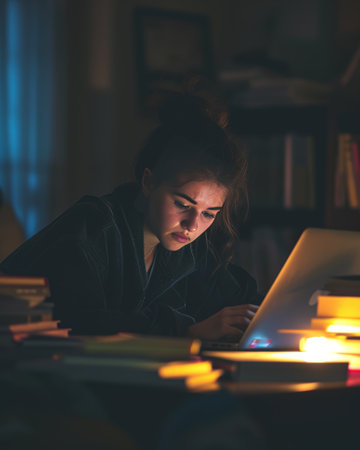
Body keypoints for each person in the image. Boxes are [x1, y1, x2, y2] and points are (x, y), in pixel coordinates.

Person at [0, 86, 259, 340]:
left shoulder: (187, 244)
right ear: (148, 182)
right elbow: (79, 322)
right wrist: (184, 331)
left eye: (209, 214)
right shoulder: (93, 226)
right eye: (182, 204)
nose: (192, 225)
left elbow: (242, 297)